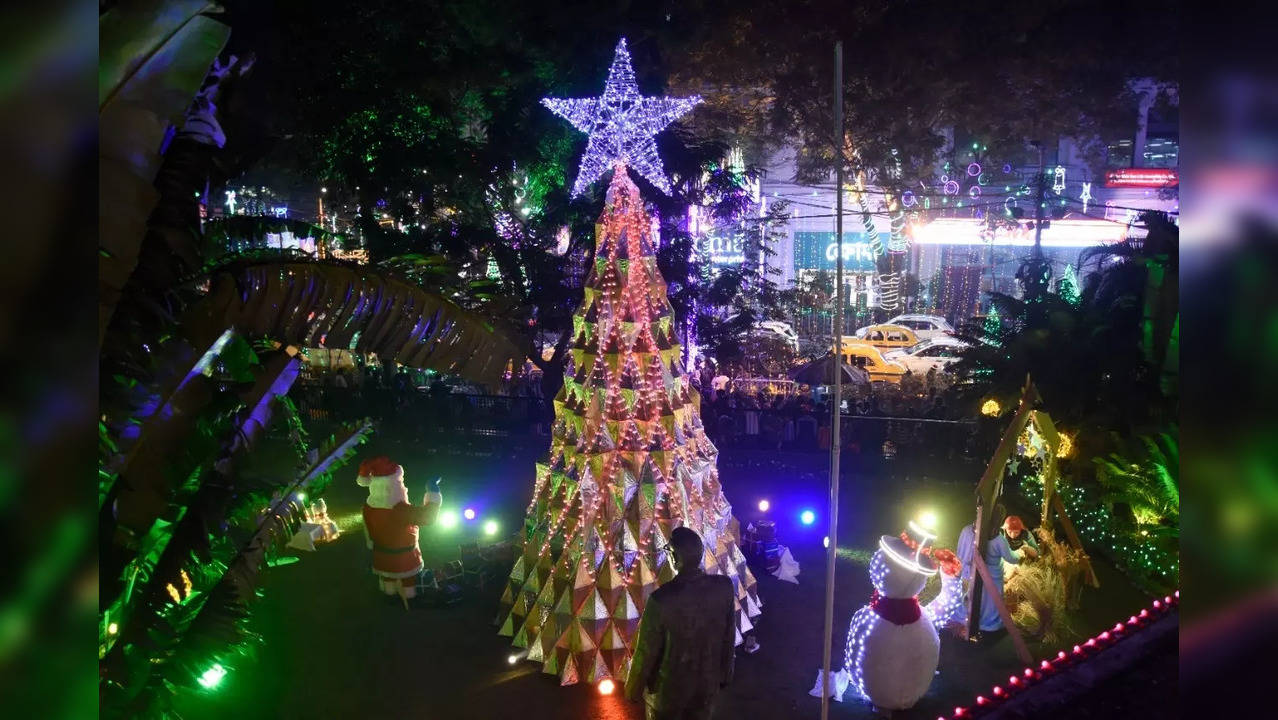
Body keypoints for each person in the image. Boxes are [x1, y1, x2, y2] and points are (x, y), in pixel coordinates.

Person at [626, 527, 736, 720]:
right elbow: (728, 637)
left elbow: (646, 652)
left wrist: (633, 690)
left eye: (668, 552)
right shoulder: (723, 587)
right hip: (706, 688)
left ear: (675, 557)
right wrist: (725, 674)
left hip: (667, 695)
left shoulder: (661, 599)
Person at [357, 456, 442, 607]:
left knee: (387, 577)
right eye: (400, 482)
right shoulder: (399, 510)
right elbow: (427, 517)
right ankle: (410, 597)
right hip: (404, 556)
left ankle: (389, 595)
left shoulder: (368, 508)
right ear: (394, 485)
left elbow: (368, 531)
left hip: (381, 554)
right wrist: (433, 493)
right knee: (407, 578)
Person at [958, 504, 1037, 636]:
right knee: (992, 603)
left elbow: (960, 552)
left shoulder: (967, 530)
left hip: (970, 572)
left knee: (974, 597)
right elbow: (1011, 558)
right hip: (992, 577)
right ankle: (990, 624)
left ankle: (971, 619)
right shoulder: (997, 540)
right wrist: (1021, 552)